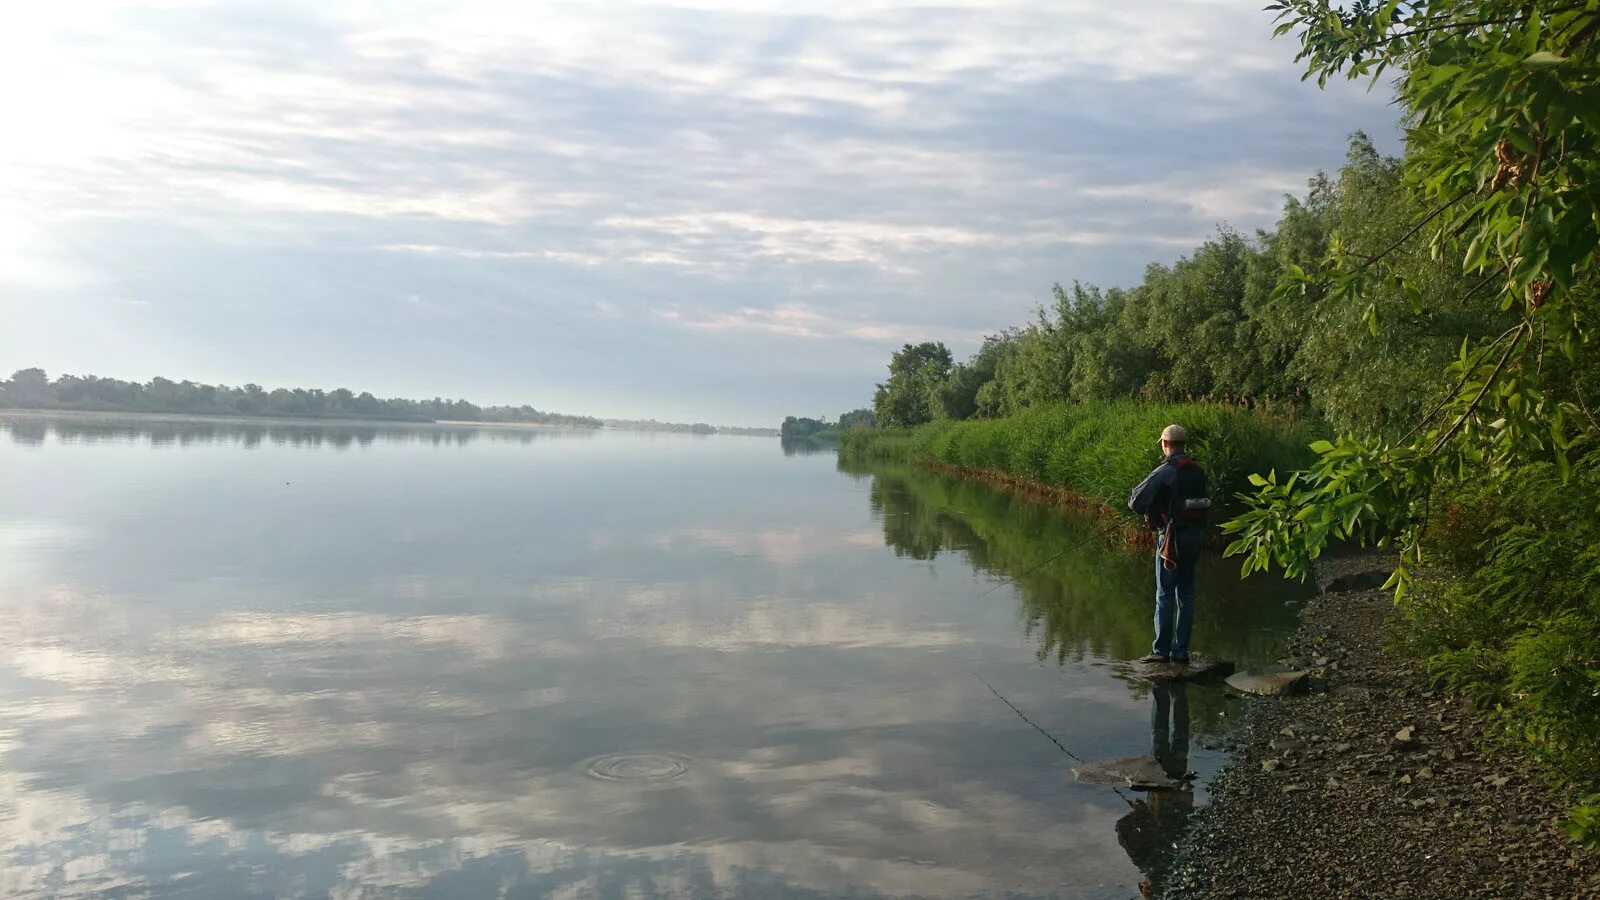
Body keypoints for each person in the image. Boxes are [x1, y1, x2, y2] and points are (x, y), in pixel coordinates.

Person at [1126, 424, 1209, 664]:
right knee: (1187, 594)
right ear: (1184, 445)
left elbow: (1136, 502)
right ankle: (1181, 652)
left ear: (1165, 444)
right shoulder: (1198, 470)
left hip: (1171, 539)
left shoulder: (1165, 471)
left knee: (1165, 594)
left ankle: (1161, 651)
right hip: (1195, 537)